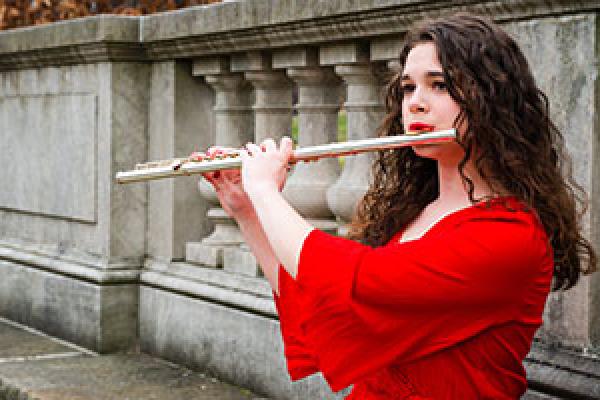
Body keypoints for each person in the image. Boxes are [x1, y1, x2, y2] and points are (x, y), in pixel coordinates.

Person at [199, 13, 597, 399]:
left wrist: (267, 191)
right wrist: (247, 209)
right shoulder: (417, 212)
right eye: (408, 88)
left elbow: (357, 280)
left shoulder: (510, 236)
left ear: (492, 98)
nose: (415, 104)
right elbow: (325, 303)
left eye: (439, 85)